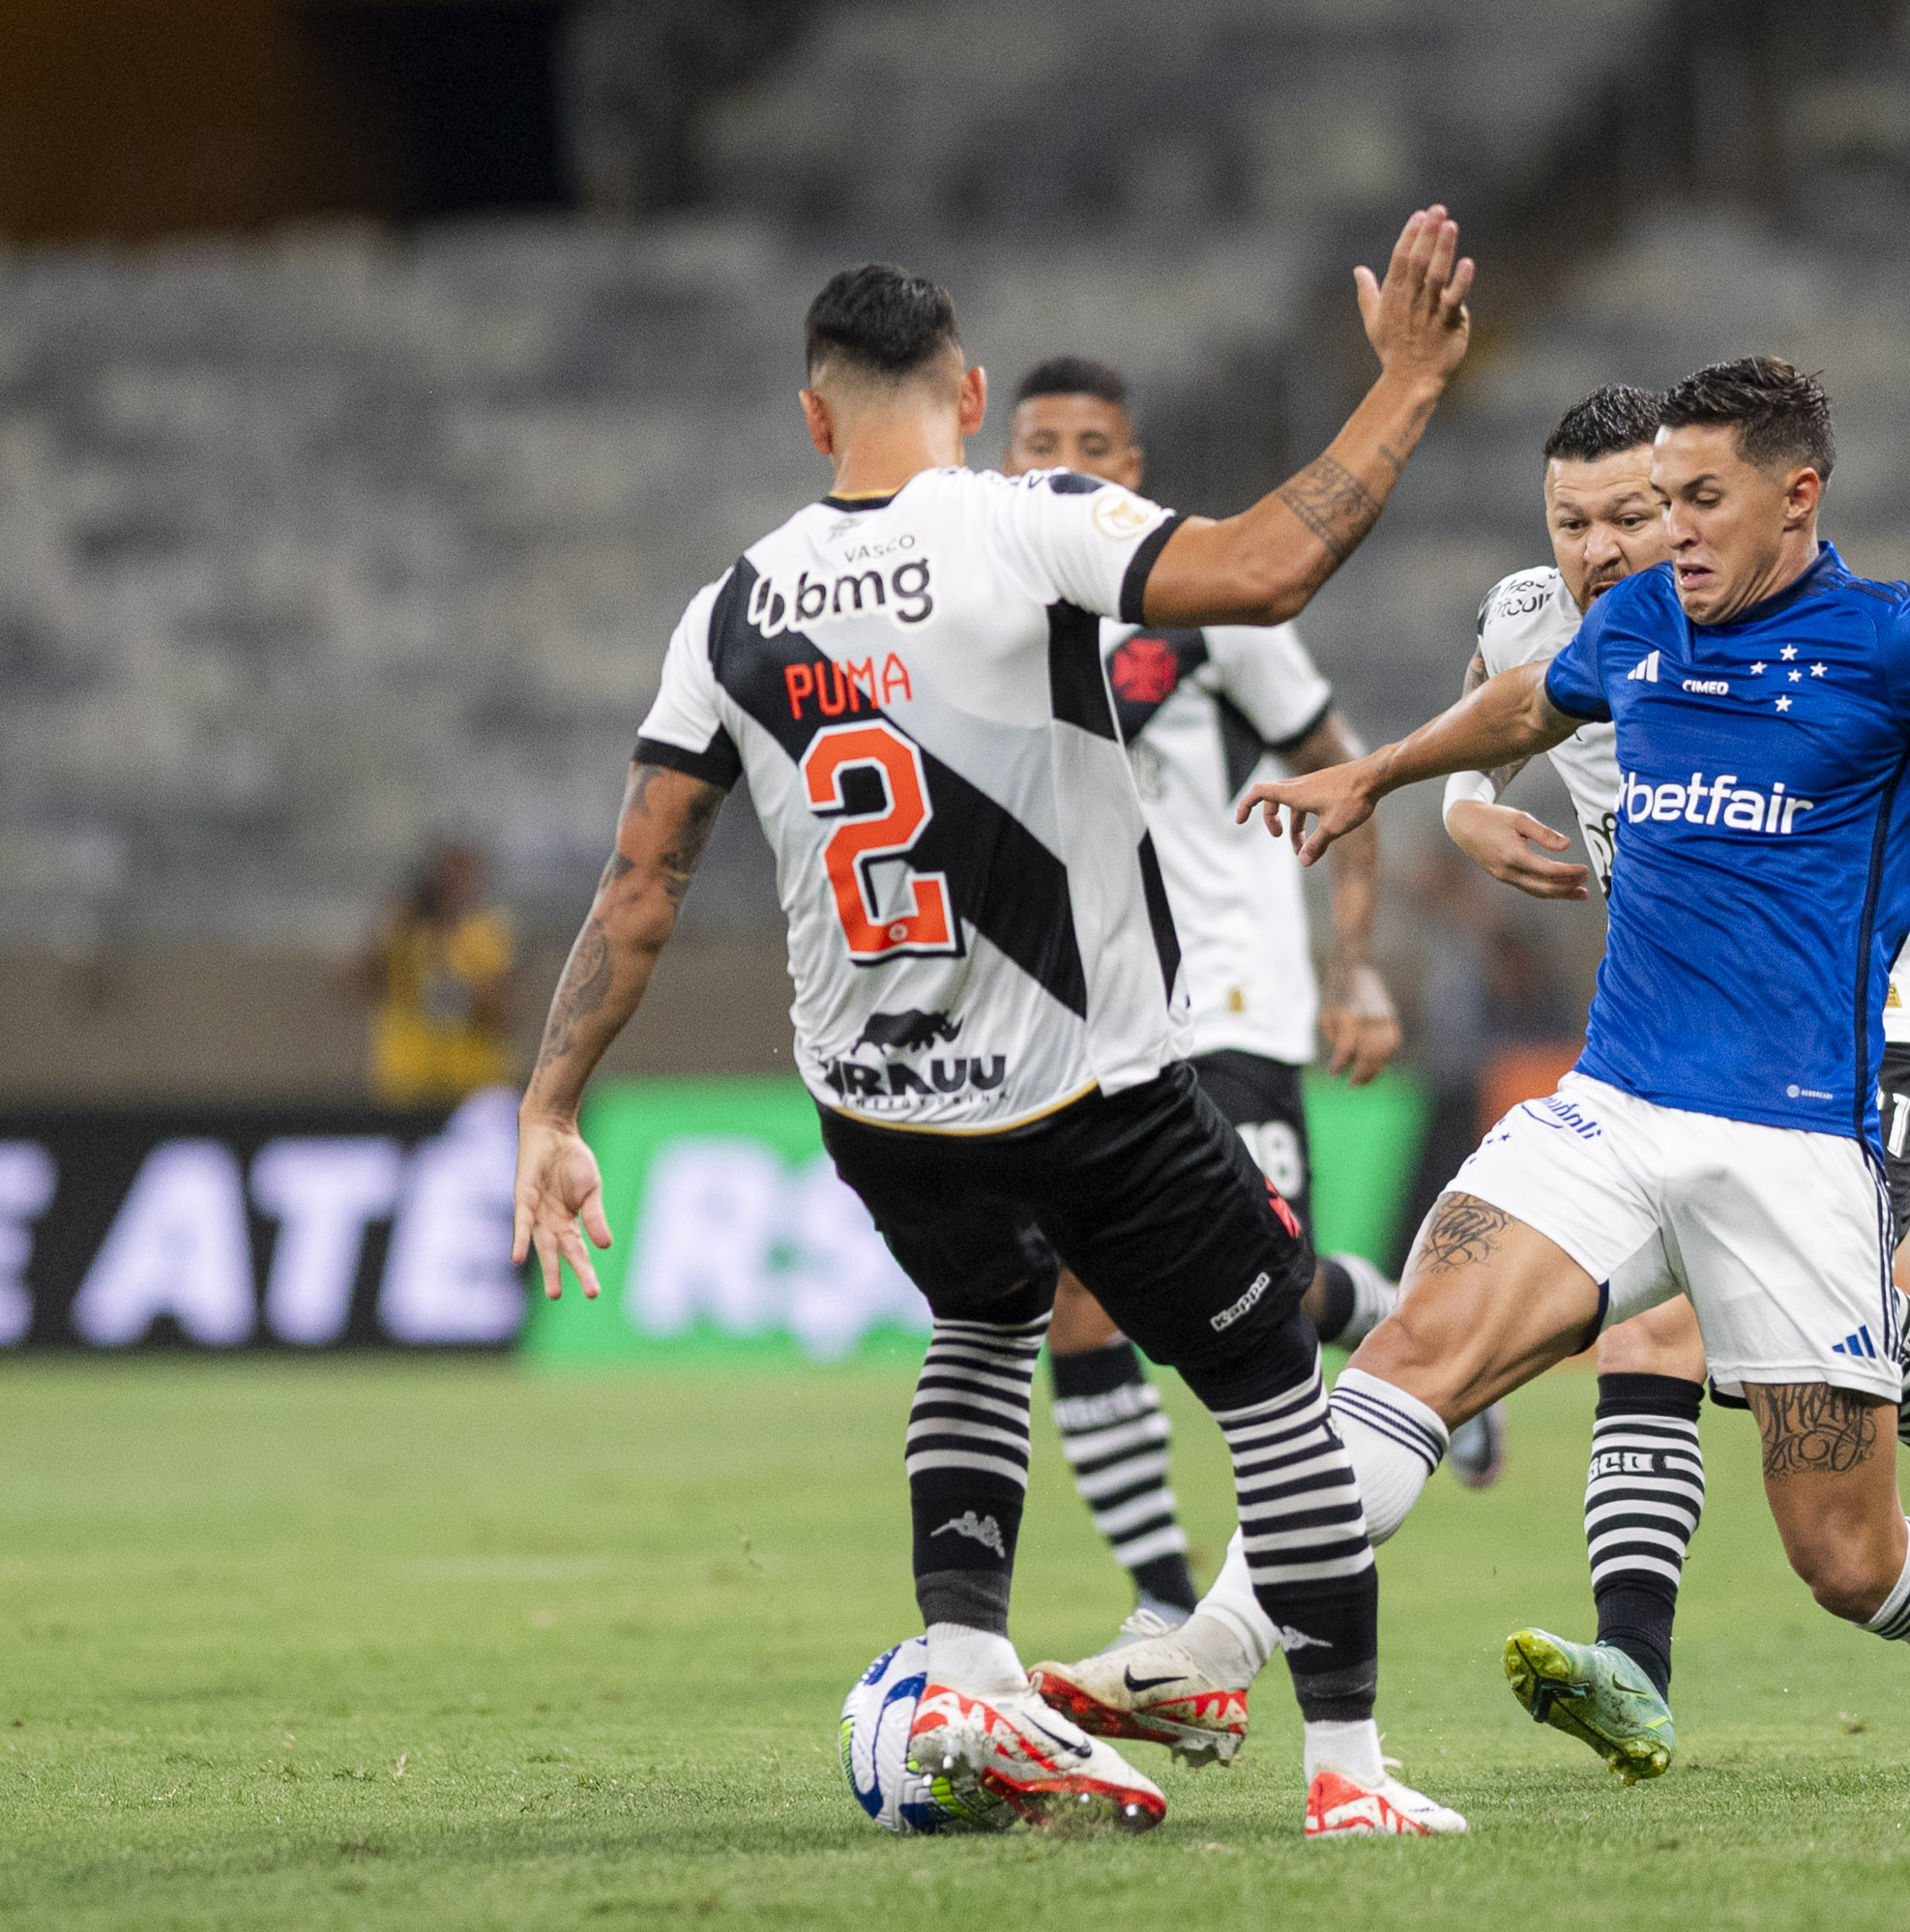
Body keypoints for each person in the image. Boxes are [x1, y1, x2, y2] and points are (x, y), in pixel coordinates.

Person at [1052, 357, 1910, 1808]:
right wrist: (1392, 782)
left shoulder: (1901, 641)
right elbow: (1529, 702)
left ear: (1798, 494)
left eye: (1699, 500)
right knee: (1413, 1355)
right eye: (1658, 501)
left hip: (1793, 1144)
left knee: (1846, 1559)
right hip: (1613, 1107)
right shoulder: (1648, 621)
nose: (1668, 535)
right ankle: (1217, 1643)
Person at [509, 212, 1481, 1841]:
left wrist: (549, 1109)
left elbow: (636, 890)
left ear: (812, 416)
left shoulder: (728, 609)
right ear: (967, 392)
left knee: (984, 1318)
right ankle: (1351, 1777)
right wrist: (1409, 384)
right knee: (1262, 1386)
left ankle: (966, 1673)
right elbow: (1267, 566)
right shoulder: (1031, 524)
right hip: (1085, 1073)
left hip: (880, 1099)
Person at [1431, 382, 1910, 1782]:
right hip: (1689, 1033)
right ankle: (1636, 1674)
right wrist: (1476, 822)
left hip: (1864, 1009)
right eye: (1570, 521)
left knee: (1741, 1334)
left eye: (1629, 516)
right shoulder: (1538, 618)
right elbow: (1475, 748)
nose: (1598, 547)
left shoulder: (1803, 630)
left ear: (1689, 504)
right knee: (1655, 1328)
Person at [993, 352, 1479, 1646]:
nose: (1066, 460)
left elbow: (1348, 776)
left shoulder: (1207, 608)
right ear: (1002, 461)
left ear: (1130, 469)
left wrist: (1356, 961)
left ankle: (1389, 1318)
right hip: (1093, 1018)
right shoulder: (986, 623)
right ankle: (1162, 1598)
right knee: (1080, 1300)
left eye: (1093, 442)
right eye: (1040, 438)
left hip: (1231, 998)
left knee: (1255, 1297)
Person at [351, 840, 515, 1105]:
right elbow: (358, 982)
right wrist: (386, 920)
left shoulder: (487, 931)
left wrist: (449, 975)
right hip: (406, 1084)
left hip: (473, 1087)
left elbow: (501, 1008)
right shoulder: (403, 931)